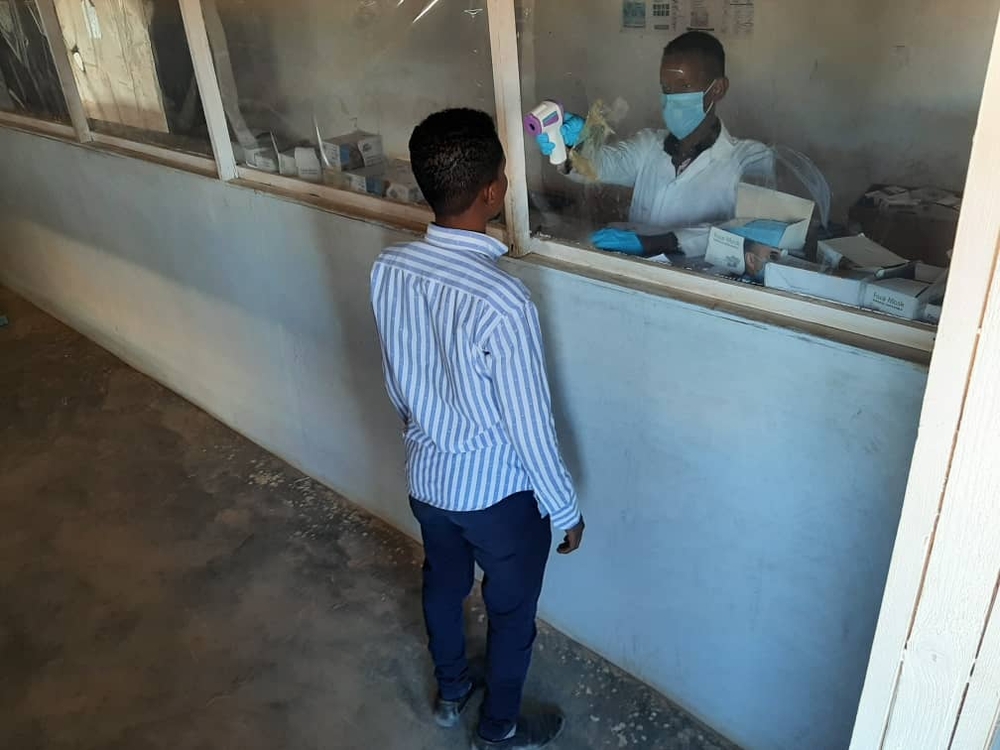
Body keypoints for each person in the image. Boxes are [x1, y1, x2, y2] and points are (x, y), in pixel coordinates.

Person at [371, 108, 586, 750]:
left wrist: (424, 432)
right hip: (498, 500)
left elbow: (396, 381)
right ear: (494, 192)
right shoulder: (504, 301)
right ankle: (499, 728)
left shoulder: (389, 271)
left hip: (428, 482)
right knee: (512, 613)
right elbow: (530, 428)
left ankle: (453, 690)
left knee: (443, 583)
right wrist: (564, 508)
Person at [537, 31, 774, 260]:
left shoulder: (749, 158)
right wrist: (571, 148)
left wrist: (662, 242)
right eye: (666, 88)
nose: (672, 97)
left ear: (718, 89)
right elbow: (600, 166)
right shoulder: (649, 144)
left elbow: (750, 230)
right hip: (640, 276)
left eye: (683, 86)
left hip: (704, 288)